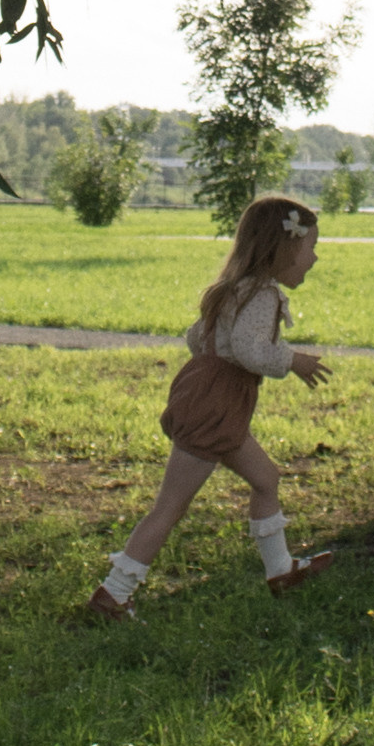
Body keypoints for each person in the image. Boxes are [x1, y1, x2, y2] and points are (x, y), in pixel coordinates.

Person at [89, 194, 335, 616]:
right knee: (170, 506)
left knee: (266, 479)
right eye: (309, 249)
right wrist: (292, 360)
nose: (313, 259)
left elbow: (195, 336)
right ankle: (114, 593)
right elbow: (248, 348)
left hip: (213, 398)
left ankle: (281, 570)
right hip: (218, 404)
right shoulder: (263, 295)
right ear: (284, 249)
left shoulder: (234, 289)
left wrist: (213, 364)